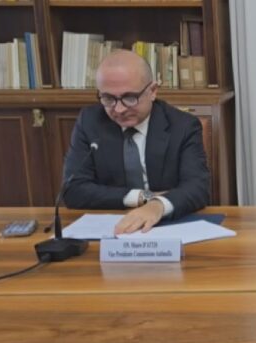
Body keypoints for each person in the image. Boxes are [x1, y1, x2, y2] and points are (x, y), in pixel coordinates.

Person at [62, 49, 210, 234]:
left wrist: (157, 206)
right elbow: (73, 190)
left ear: (152, 91)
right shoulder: (90, 121)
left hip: (166, 225)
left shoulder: (183, 126)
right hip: (112, 227)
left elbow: (197, 188)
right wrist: (142, 197)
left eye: (129, 98)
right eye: (108, 98)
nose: (119, 109)